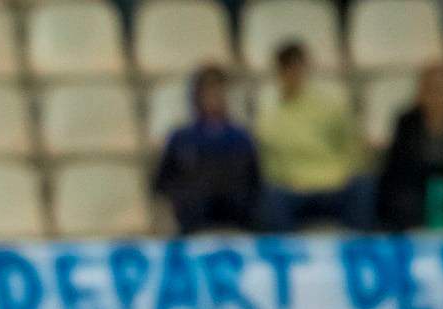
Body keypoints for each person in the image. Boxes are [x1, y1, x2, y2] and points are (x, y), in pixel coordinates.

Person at [256, 41, 375, 232]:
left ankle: (359, 254)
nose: (294, 74)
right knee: (272, 197)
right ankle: (286, 258)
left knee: (363, 186)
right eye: (288, 68)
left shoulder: (330, 107)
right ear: (279, 72)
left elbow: (352, 145)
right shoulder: (269, 117)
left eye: (298, 67)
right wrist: (285, 181)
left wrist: (346, 173)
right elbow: (269, 164)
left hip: (335, 184)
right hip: (294, 190)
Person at [377, 62, 443, 230]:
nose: (437, 96)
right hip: (418, 188)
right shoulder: (407, 121)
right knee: (404, 202)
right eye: (432, 89)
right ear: (421, 92)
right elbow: (398, 167)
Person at [152, 65, 261, 235]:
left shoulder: (240, 138)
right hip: (195, 210)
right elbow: (162, 181)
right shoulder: (182, 138)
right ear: (197, 96)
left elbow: (255, 180)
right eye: (209, 92)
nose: (214, 98)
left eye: (219, 91)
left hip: (235, 209)